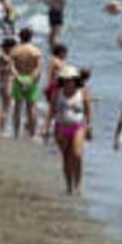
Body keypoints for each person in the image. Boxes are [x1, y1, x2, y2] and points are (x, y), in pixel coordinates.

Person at [41, 65, 92, 196]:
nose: (69, 81)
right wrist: (45, 126)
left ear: (76, 80)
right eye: (66, 79)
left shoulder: (83, 92)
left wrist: (89, 127)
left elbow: (88, 111)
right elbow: (51, 111)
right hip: (61, 126)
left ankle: (78, 185)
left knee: (77, 155)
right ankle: (69, 186)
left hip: (77, 126)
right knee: (66, 157)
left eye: (71, 79)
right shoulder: (58, 92)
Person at [9, 28, 44, 138]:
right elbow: (38, 68)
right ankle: (32, 133)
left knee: (17, 107)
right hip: (31, 79)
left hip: (19, 78)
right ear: (31, 37)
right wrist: (31, 80)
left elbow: (12, 68)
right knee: (31, 107)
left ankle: (16, 133)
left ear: (20, 37)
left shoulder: (15, 51)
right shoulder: (36, 51)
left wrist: (18, 78)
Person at [0, 37, 17, 136]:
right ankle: (2, 130)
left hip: (3, 83)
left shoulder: (4, 56)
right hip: (7, 83)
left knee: (5, 107)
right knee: (5, 108)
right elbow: (12, 70)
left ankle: (2, 129)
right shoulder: (4, 57)